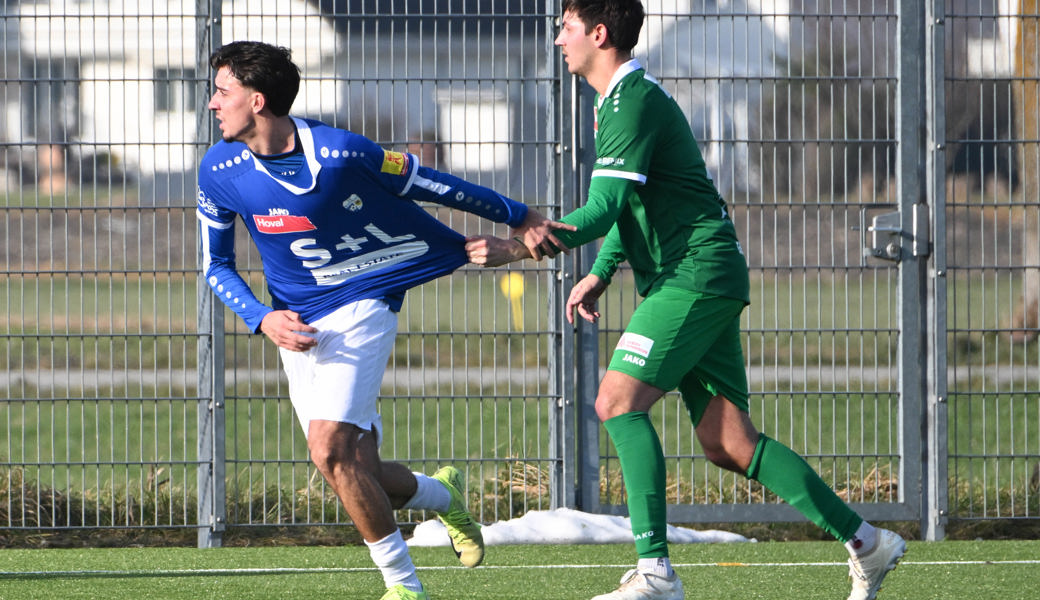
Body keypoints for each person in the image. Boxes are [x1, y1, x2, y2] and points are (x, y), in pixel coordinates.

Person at [464, 2, 906, 599]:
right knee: (729, 444)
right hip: (700, 275)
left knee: (616, 402)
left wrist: (519, 247)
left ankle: (655, 573)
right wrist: (600, 271)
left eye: (565, 27)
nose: (557, 39)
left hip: (694, 275)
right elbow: (628, 204)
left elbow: (601, 209)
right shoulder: (620, 101)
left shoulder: (631, 101)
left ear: (598, 34)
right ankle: (868, 544)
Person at [196, 41, 571, 600]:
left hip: (365, 302)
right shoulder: (218, 170)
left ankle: (404, 588)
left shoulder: (343, 152)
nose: (211, 104)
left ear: (257, 100)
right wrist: (260, 318)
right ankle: (443, 496)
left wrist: (522, 217)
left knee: (329, 449)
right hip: (296, 325)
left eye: (221, 92)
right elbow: (216, 266)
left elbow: (434, 184)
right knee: (354, 469)